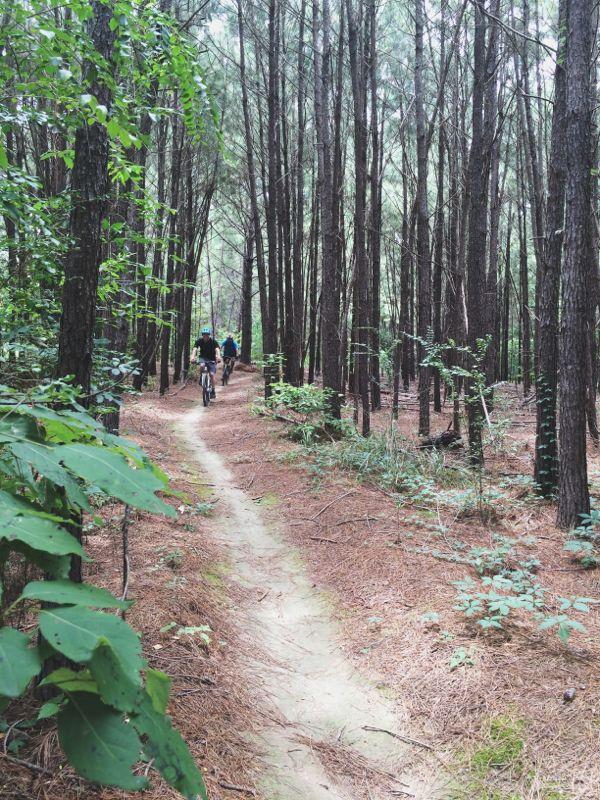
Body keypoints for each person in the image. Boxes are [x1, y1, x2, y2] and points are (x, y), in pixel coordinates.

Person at [191, 327, 221, 398]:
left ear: (209, 335)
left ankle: (213, 391)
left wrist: (219, 357)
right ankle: (202, 377)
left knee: (211, 374)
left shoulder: (213, 341)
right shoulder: (199, 341)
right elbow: (195, 349)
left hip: (212, 359)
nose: (205, 336)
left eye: (207, 335)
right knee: (202, 365)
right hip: (203, 358)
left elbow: (217, 349)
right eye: (204, 335)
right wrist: (192, 357)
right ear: (202, 335)